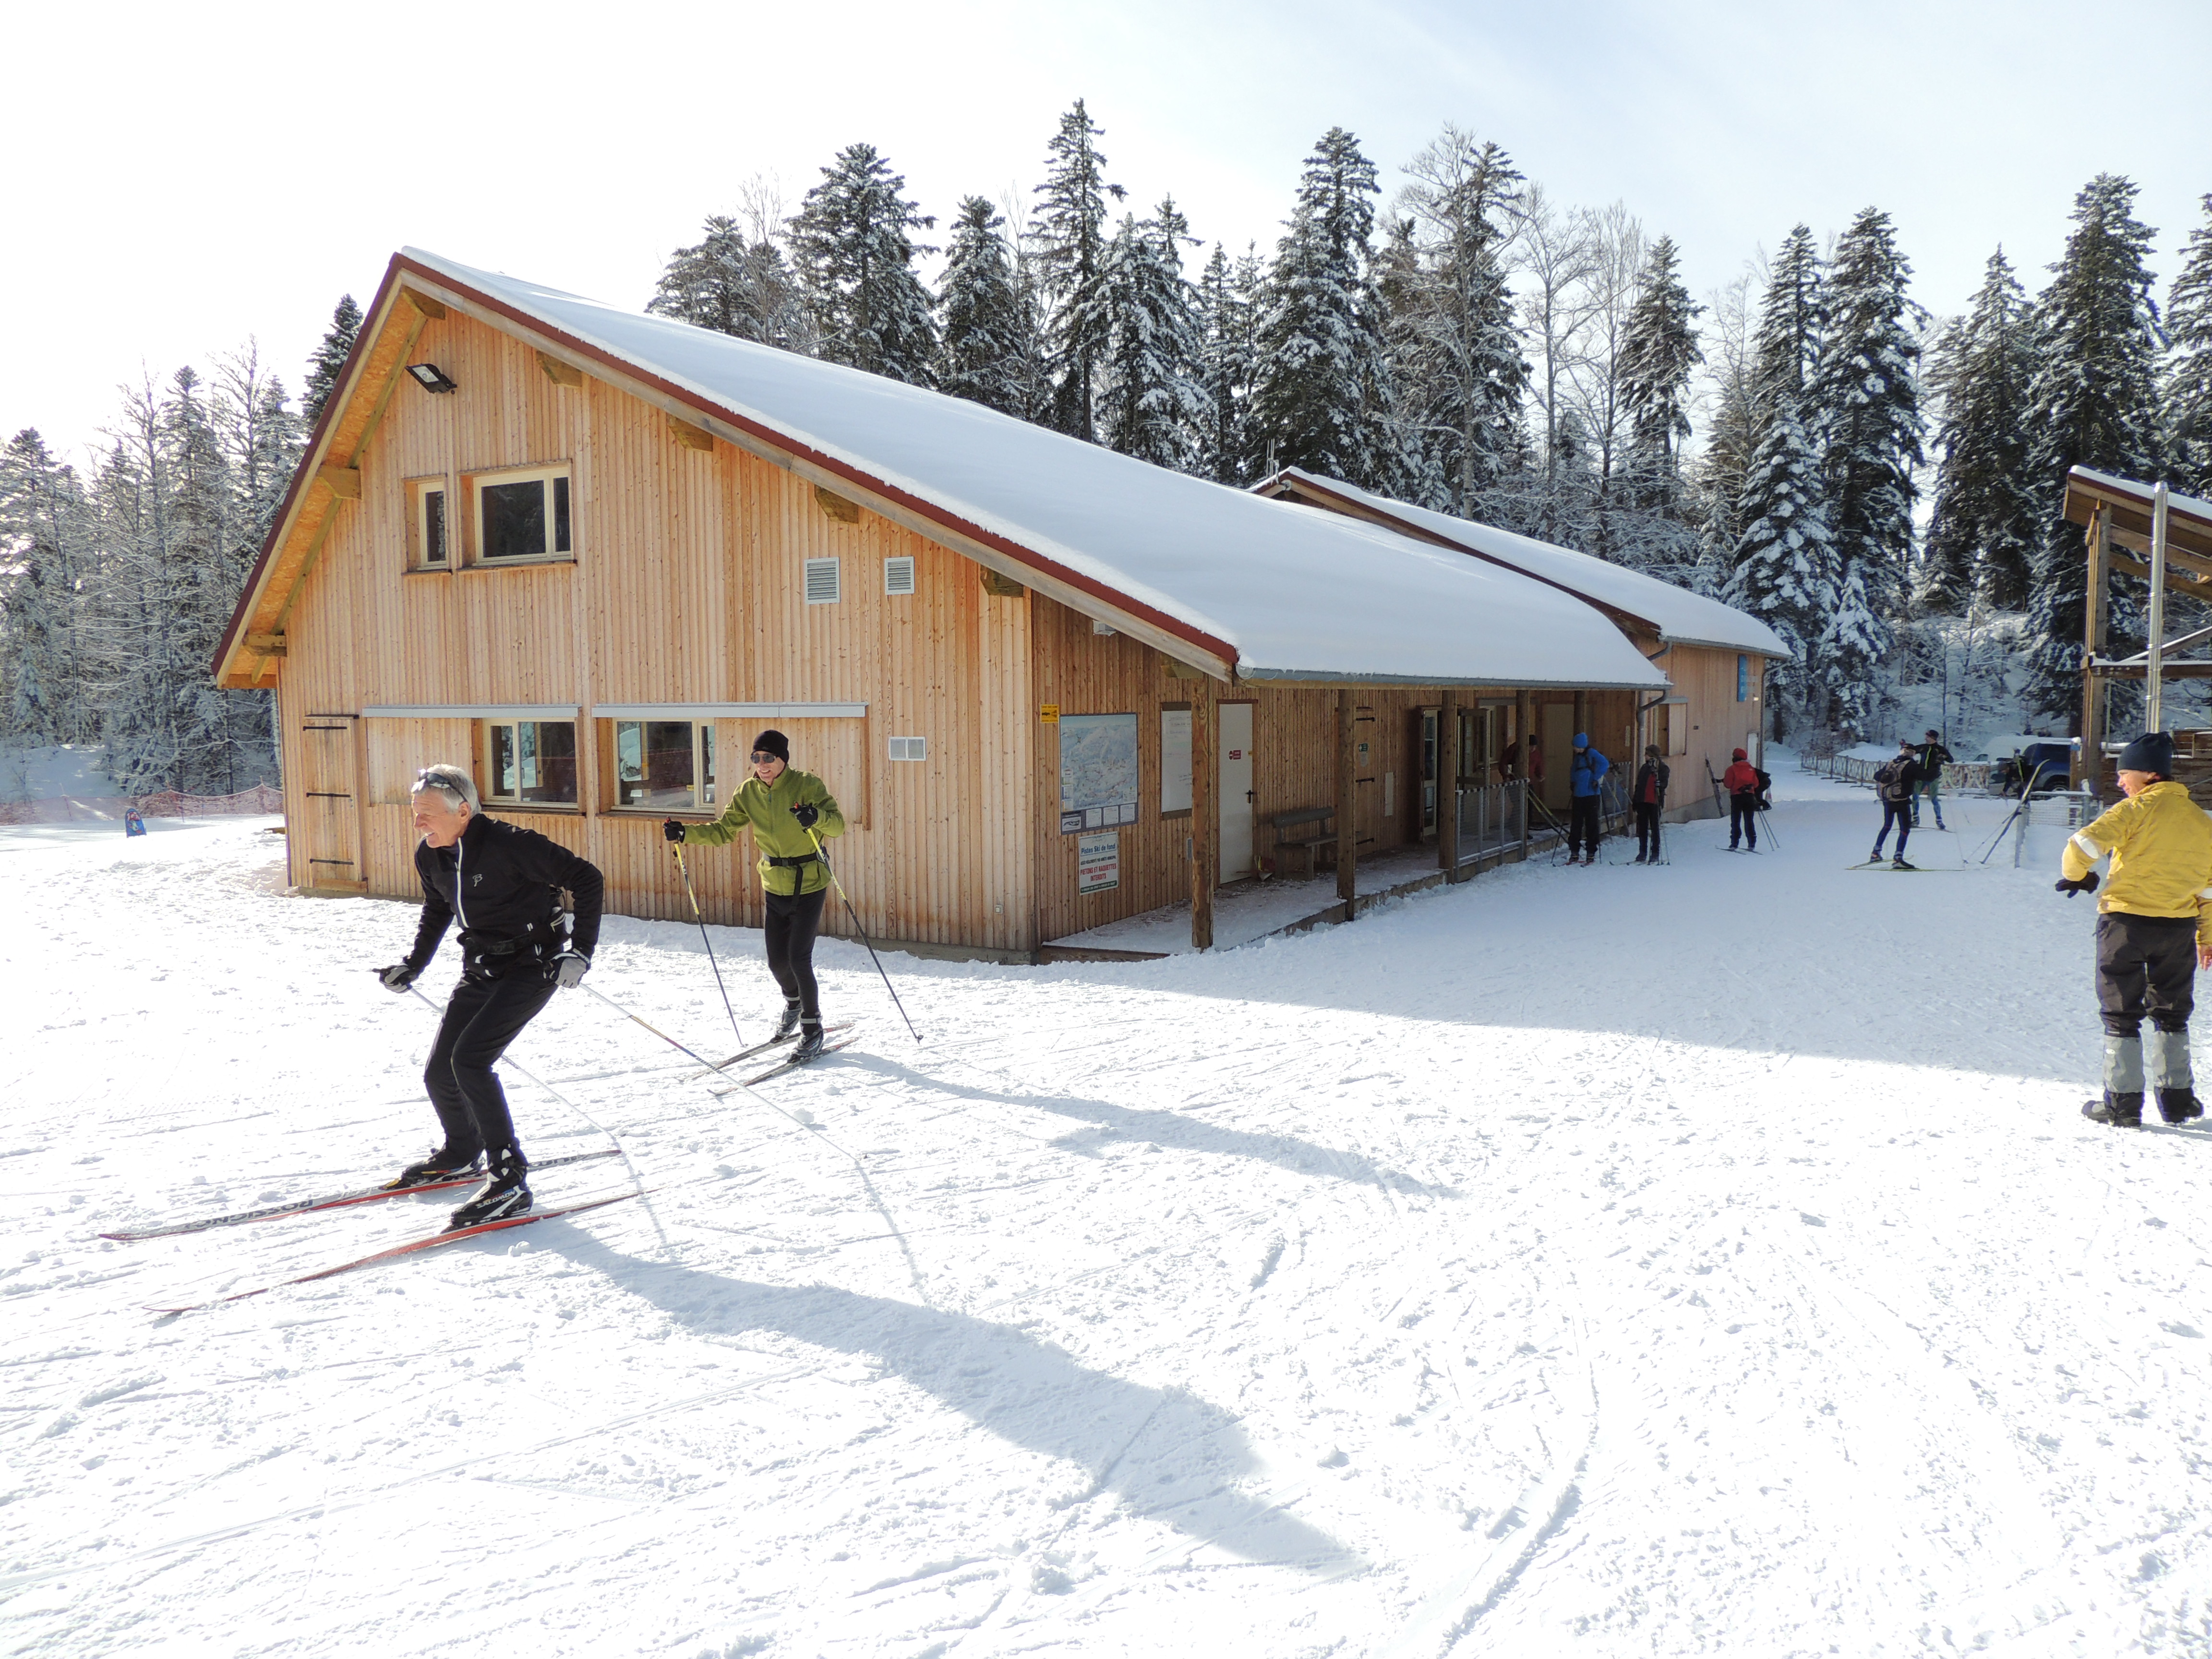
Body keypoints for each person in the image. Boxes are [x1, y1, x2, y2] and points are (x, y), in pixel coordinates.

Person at [375, 764, 603, 1226]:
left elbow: (587, 878)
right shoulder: (432, 855)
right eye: (415, 813)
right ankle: (462, 1152)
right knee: (441, 1071)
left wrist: (580, 951)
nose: (418, 823)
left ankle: (510, 1179)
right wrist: (414, 964)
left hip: (533, 965)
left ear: (463, 811)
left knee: (472, 1062)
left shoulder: (510, 844)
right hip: (480, 965)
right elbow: (438, 908)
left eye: (426, 814)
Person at [2061, 731, 2212, 1128]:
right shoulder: (2201, 821)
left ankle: (2122, 1104)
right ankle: (2178, 1100)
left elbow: (2081, 845)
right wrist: (2207, 937)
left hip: (2126, 925)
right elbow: (2208, 888)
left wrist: (2077, 877)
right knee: (2173, 1012)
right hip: (2178, 928)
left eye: (2123, 773)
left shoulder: (2135, 810)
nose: (2119, 782)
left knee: (2121, 1013)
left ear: (2149, 775)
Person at [665, 730, 846, 1060]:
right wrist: (685, 833)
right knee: (777, 962)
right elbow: (723, 831)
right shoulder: (748, 792)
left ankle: (812, 1026)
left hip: (810, 882)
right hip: (774, 882)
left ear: (782, 760)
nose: (761, 765)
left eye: (768, 758)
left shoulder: (807, 785)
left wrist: (815, 816)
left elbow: (837, 826)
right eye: (756, 758)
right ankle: (793, 1003)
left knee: (798, 958)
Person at [1870, 739, 1920, 868]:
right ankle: (1898, 858)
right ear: (1912, 754)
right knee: (1904, 829)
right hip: (1901, 800)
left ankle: (1876, 853)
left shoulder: (1892, 763)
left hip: (1887, 799)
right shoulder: (1911, 765)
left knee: (1887, 825)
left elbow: (1877, 776)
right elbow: (1925, 775)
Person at [1567, 733, 1609, 865]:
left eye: (1576, 747)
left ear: (1581, 746)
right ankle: (1574, 851)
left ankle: (1591, 852)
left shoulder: (1592, 753)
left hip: (1591, 794)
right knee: (1576, 825)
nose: (1575, 749)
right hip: (1579, 794)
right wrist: (1573, 782)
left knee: (1591, 824)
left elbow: (1605, 764)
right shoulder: (1578, 757)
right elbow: (1574, 770)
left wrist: (1595, 778)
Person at [1632, 745, 1669, 864]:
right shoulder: (1645, 768)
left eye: (1647, 754)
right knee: (1642, 828)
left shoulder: (1662, 768)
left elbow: (1664, 784)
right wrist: (1636, 800)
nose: (1645, 756)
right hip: (1643, 802)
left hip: (1655, 802)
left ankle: (1655, 853)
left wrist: (1660, 784)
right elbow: (1639, 785)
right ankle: (1642, 852)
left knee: (1655, 828)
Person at [1912, 729, 1953, 829]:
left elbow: (1951, 760)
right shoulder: (1923, 748)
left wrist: (1942, 758)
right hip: (1921, 776)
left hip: (1933, 777)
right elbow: (1912, 750)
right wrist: (1904, 746)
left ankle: (1939, 820)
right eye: (1926, 737)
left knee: (1934, 799)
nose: (1926, 739)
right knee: (1915, 797)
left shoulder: (1940, 749)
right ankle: (1915, 818)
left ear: (1933, 738)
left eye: (1928, 737)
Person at [1721, 747, 1760, 851]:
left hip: (1737, 797)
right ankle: (1752, 843)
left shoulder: (1732, 769)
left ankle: (1734, 843)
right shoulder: (1751, 769)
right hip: (1750, 797)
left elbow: (1728, 784)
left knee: (1736, 821)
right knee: (1749, 821)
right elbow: (1756, 784)